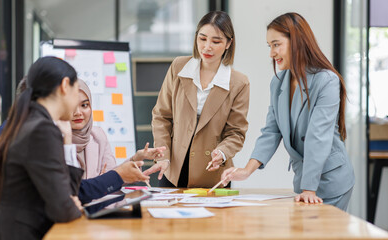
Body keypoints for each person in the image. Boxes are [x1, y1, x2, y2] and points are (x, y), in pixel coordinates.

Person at [221, 12, 355, 211]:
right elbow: (271, 132)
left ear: (297, 42)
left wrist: (309, 188)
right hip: (305, 184)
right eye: (269, 46)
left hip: (331, 180)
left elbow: (317, 136)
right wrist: (246, 171)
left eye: (276, 44)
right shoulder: (278, 83)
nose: (271, 53)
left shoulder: (326, 81)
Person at [0, 78, 165, 206]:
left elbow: (103, 180)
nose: (77, 112)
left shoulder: (96, 136)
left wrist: (132, 162)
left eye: (85, 105)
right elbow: (73, 191)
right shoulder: (37, 140)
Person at [144, 11, 250, 188]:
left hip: (212, 174)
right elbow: (162, 117)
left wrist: (222, 152)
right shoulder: (178, 67)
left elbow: (236, 132)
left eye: (216, 41)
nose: (207, 47)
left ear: (228, 43)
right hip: (172, 168)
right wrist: (163, 155)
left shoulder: (239, 83)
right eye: (202, 39)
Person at [0, 57, 83, 239]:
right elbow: (63, 208)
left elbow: (65, 192)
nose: (77, 100)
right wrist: (72, 206)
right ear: (65, 85)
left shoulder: (29, 121)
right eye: (77, 90)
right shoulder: (41, 129)